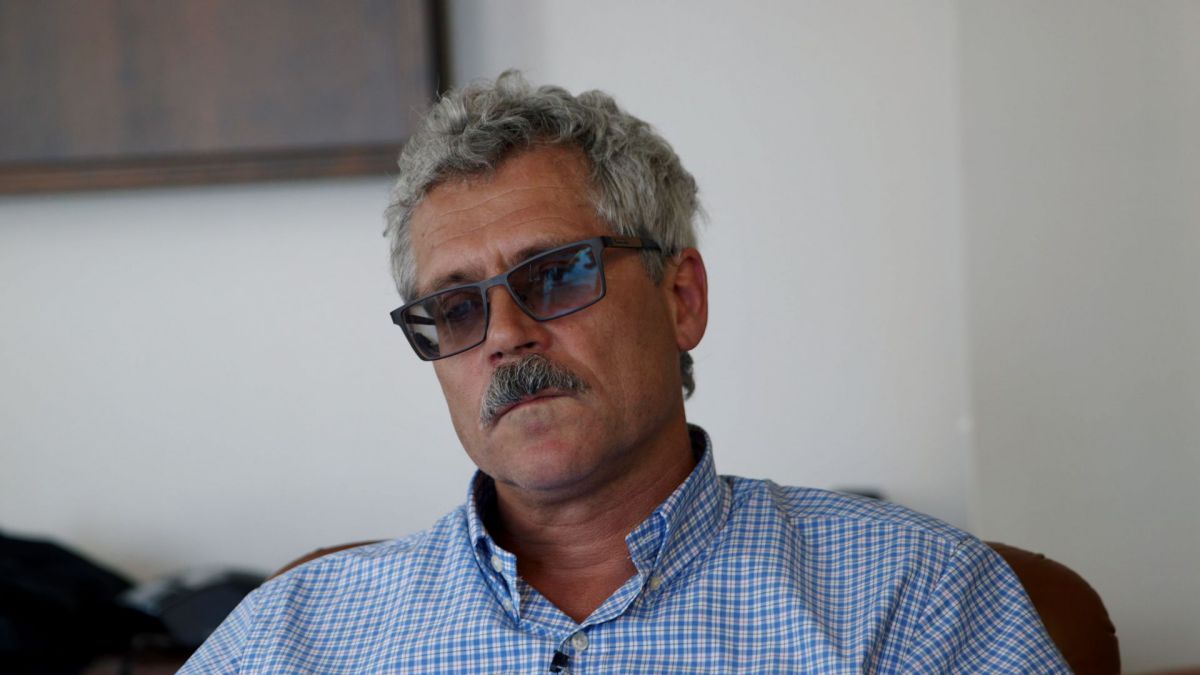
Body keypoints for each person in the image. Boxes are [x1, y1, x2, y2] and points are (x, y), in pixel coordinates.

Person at [182, 71, 1067, 673]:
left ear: (681, 298)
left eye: (555, 275)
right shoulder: (289, 637)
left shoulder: (915, 598)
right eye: (456, 307)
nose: (505, 336)